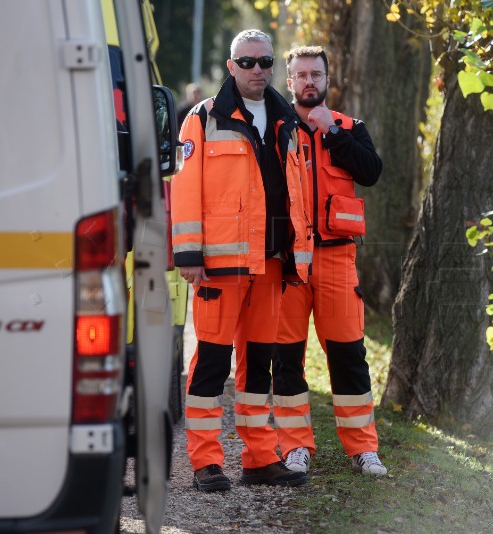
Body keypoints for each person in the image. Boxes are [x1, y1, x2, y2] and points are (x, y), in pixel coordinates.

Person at [171, 29, 313, 492]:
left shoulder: (285, 118)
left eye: (264, 61)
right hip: (219, 264)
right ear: (231, 66)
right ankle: (205, 461)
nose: (257, 69)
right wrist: (189, 254)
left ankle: (258, 458)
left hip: (271, 263)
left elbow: (296, 194)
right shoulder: (204, 117)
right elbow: (186, 189)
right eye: (247, 62)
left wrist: (299, 257)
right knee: (212, 361)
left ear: (273, 66)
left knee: (259, 365)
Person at [271, 45, 387, 476]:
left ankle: (362, 449)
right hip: (290, 262)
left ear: (327, 79)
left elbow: (371, 172)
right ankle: (295, 446)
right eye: (300, 75)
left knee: (348, 354)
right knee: (286, 356)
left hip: (338, 259)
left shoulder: (349, 127)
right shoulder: (276, 130)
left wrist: (332, 134)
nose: (309, 82)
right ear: (290, 82)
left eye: (316, 74)